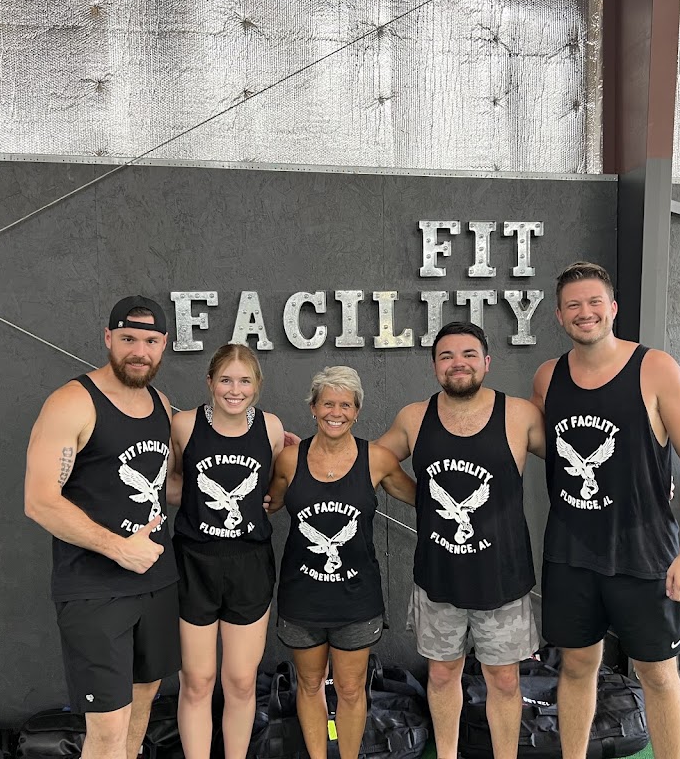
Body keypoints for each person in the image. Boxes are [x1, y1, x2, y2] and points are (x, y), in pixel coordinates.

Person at [531, 261, 680, 759]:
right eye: (573, 305)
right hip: (571, 553)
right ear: (559, 316)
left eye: (594, 302)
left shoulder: (655, 368)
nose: (584, 312)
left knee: (657, 673)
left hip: (645, 552)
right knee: (576, 666)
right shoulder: (547, 377)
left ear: (612, 308)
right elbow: (547, 446)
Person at [376, 321, 546, 759]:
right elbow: (371, 463)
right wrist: (299, 455)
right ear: (434, 366)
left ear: (486, 362)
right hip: (439, 579)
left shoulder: (519, 415)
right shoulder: (414, 418)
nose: (458, 363)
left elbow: (576, 459)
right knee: (441, 675)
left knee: (504, 680)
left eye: (469, 354)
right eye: (447, 356)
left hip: (502, 579)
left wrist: (648, 475)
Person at [24, 295, 180, 759]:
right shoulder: (72, 402)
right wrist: (118, 548)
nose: (139, 351)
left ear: (164, 345)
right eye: (128, 339)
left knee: (143, 704)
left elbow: (168, 486)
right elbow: (39, 500)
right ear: (108, 338)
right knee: (108, 728)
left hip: (156, 581)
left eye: (150, 341)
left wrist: (265, 466)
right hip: (95, 589)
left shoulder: (160, 404)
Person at [267, 366, 416, 759]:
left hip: (356, 599)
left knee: (350, 689)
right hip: (302, 598)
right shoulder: (289, 460)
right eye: (328, 403)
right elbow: (268, 502)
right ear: (313, 408)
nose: (336, 412)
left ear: (357, 411)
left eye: (345, 405)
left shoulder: (377, 459)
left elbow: (422, 498)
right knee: (309, 684)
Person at [165, 344, 285, 759]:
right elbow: (172, 484)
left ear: (258, 385)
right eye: (226, 380)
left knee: (241, 681)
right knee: (197, 681)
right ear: (210, 382)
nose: (235, 390)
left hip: (249, 564)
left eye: (245, 381)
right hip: (194, 563)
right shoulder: (184, 425)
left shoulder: (270, 428)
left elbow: (275, 483)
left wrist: (268, 501)